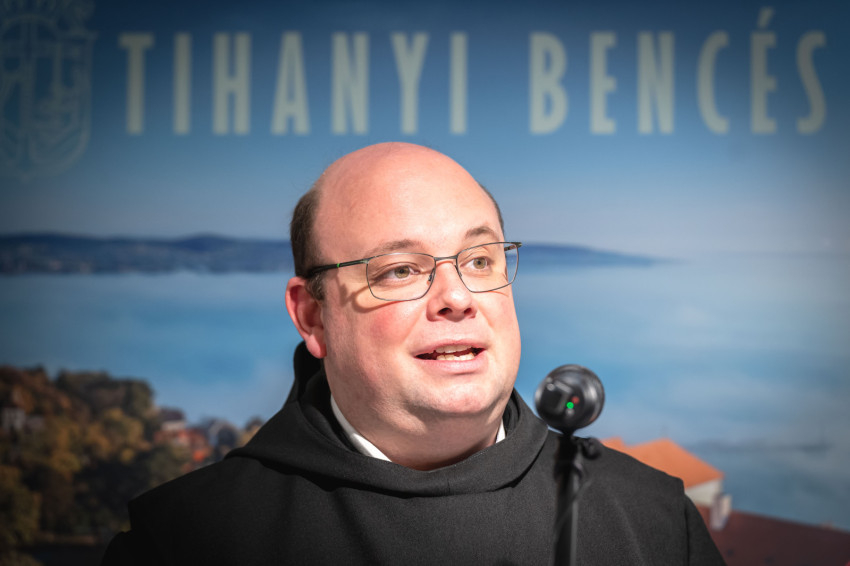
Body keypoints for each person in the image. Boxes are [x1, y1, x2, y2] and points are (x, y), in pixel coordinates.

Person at [101, 143, 725, 565]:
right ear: (313, 316)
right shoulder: (185, 542)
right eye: (400, 270)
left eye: (480, 260)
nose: (457, 297)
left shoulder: (652, 522)